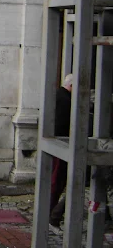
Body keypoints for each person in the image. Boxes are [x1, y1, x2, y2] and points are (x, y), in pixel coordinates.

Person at [50, 74, 72, 229]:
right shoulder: (66, 100)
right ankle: (51, 212)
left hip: (56, 143)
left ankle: (51, 211)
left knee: (56, 180)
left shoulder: (57, 95)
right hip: (62, 144)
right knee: (57, 181)